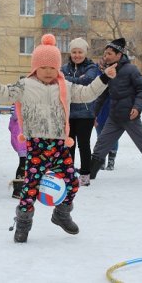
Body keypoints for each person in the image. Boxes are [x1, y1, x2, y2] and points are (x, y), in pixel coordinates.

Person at [0, 33, 116, 243]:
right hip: (37, 147)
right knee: (30, 189)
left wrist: (104, 77)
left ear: (58, 67)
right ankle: (23, 224)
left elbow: (87, 93)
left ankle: (61, 214)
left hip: (59, 146)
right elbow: (3, 94)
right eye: (44, 67)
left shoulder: (66, 86)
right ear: (35, 67)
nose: (49, 72)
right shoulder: (24, 85)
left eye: (53, 67)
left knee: (72, 182)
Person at [90, 38, 142, 181]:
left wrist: (137, 107)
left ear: (119, 55)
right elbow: (102, 95)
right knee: (102, 143)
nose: (106, 57)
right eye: (105, 54)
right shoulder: (109, 71)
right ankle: (91, 173)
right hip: (114, 116)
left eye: (109, 53)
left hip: (130, 116)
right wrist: (94, 114)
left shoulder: (131, 69)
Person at [60, 38, 98, 187]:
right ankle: (68, 173)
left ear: (85, 52)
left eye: (80, 52)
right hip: (68, 112)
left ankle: (85, 175)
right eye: (74, 52)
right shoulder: (64, 67)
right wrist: (76, 79)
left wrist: (69, 80)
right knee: (69, 145)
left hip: (85, 113)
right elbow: (60, 80)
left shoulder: (91, 67)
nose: (77, 55)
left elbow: (88, 80)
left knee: (84, 144)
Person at [8, 103, 27, 199]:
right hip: (21, 135)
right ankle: (18, 189)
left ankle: (27, 187)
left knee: (29, 163)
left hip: (28, 135)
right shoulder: (19, 99)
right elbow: (15, 115)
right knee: (23, 163)